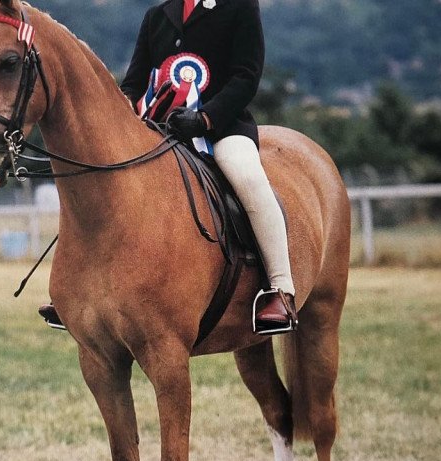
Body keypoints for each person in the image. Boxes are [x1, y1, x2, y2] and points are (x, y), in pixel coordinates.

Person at [40, 0, 297, 334]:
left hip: (222, 129)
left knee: (248, 178)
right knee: (102, 189)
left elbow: (246, 76)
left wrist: (206, 118)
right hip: (159, 132)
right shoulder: (157, 17)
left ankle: (280, 289)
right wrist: (124, 118)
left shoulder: (239, 6)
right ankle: (79, 292)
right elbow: (133, 83)